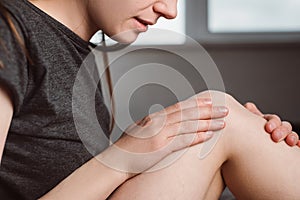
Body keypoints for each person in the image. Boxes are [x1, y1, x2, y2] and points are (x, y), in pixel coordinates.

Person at [0, 0, 299, 199]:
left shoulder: (74, 49)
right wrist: (121, 158)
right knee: (222, 120)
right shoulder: (8, 30)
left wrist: (255, 140)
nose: (170, 11)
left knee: (218, 123)